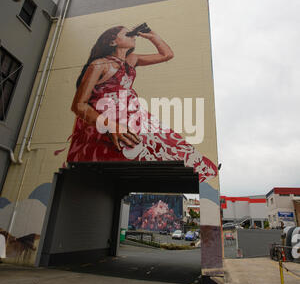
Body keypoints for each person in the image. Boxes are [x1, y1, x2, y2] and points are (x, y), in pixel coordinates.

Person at [67, 25, 217, 182]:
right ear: (112, 42)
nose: (133, 36)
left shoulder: (132, 59)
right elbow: (79, 105)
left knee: (171, 142)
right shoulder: (99, 65)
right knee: (136, 150)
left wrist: (152, 36)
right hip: (107, 118)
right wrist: (110, 126)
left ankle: (196, 175)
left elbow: (167, 54)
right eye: (127, 34)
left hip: (132, 113)